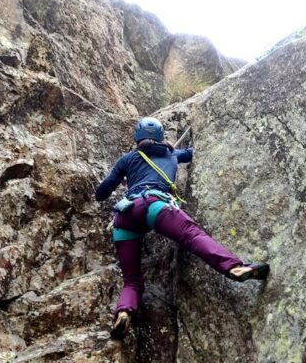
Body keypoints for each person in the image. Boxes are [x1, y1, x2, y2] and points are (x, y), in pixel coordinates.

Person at [95, 117, 270, 339]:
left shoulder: (127, 159)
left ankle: (124, 313)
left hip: (126, 215)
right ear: (160, 136)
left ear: (136, 137)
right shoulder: (172, 154)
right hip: (156, 206)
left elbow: (101, 193)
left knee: (132, 280)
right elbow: (195, 152)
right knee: (192, 235)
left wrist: (124, 176)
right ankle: (233, 267)